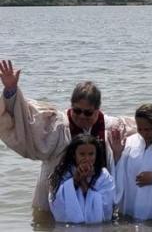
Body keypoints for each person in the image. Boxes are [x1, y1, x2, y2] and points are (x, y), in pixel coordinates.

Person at [0, 60, 136, 213]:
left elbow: (147, 131)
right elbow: (23, 118)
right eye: (77, 111)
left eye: (88, 112)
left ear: (98, 109)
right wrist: (11, 90)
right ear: (71, 105)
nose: (81, 116)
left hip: (97, 203)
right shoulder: (55, 124)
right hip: (56, 202)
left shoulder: (112, 127)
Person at [48, 134, 115, 224]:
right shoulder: (64, 173)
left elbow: (106, 207)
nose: (87, 158)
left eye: (91, 154)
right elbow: (57, 203)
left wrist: (84, 183)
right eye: (82, 154)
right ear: (74, 155)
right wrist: (74, 181)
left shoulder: (103, 175)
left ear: (96, 155)